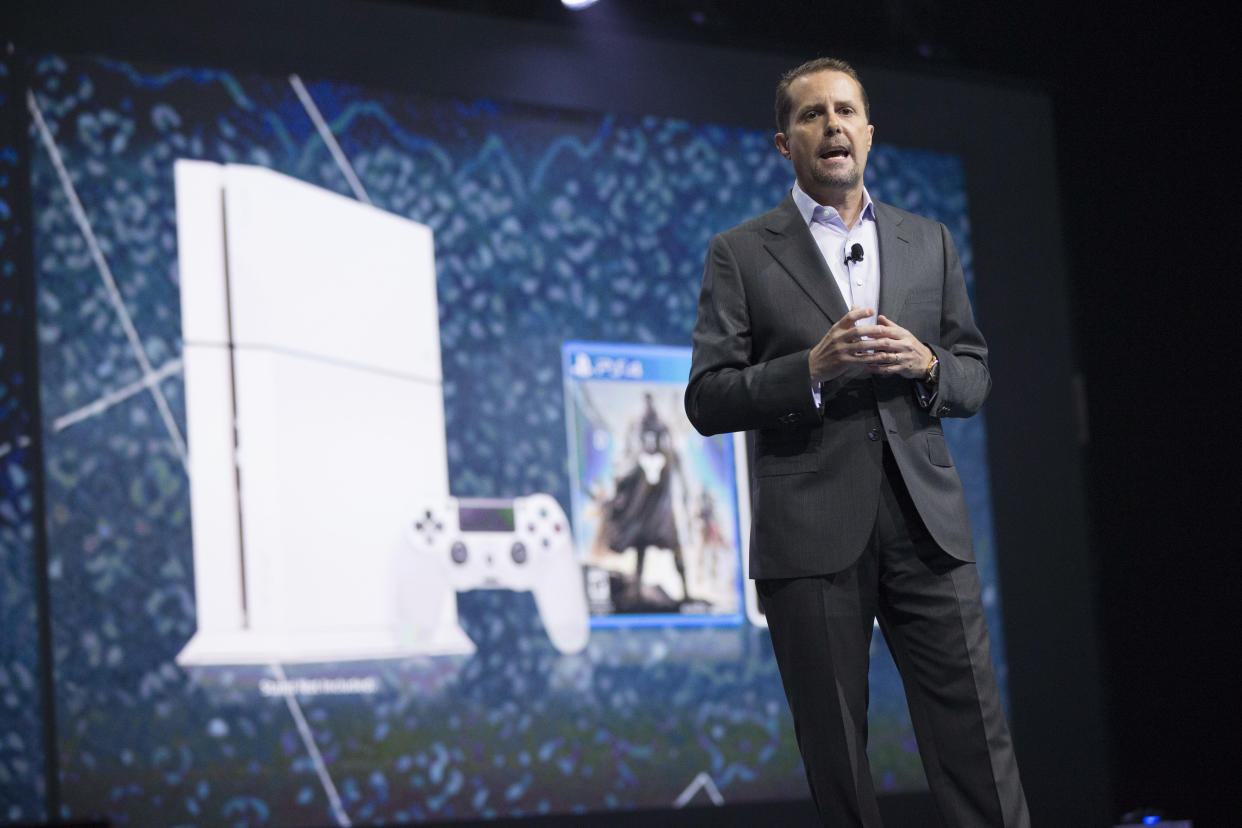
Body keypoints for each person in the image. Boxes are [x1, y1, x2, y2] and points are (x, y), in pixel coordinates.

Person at [684, 57, 1029, 827]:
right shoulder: (740, 252)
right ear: (784, 144)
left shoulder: (927, 243)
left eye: (846, 111)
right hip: (809, 535)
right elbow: (707, 398)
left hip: (926, 527)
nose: (832, 125)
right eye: (812, 115)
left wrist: (930, 364)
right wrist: (808, 370)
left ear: (869, 132)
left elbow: (973, 374)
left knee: (977, 743)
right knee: (838, 761)